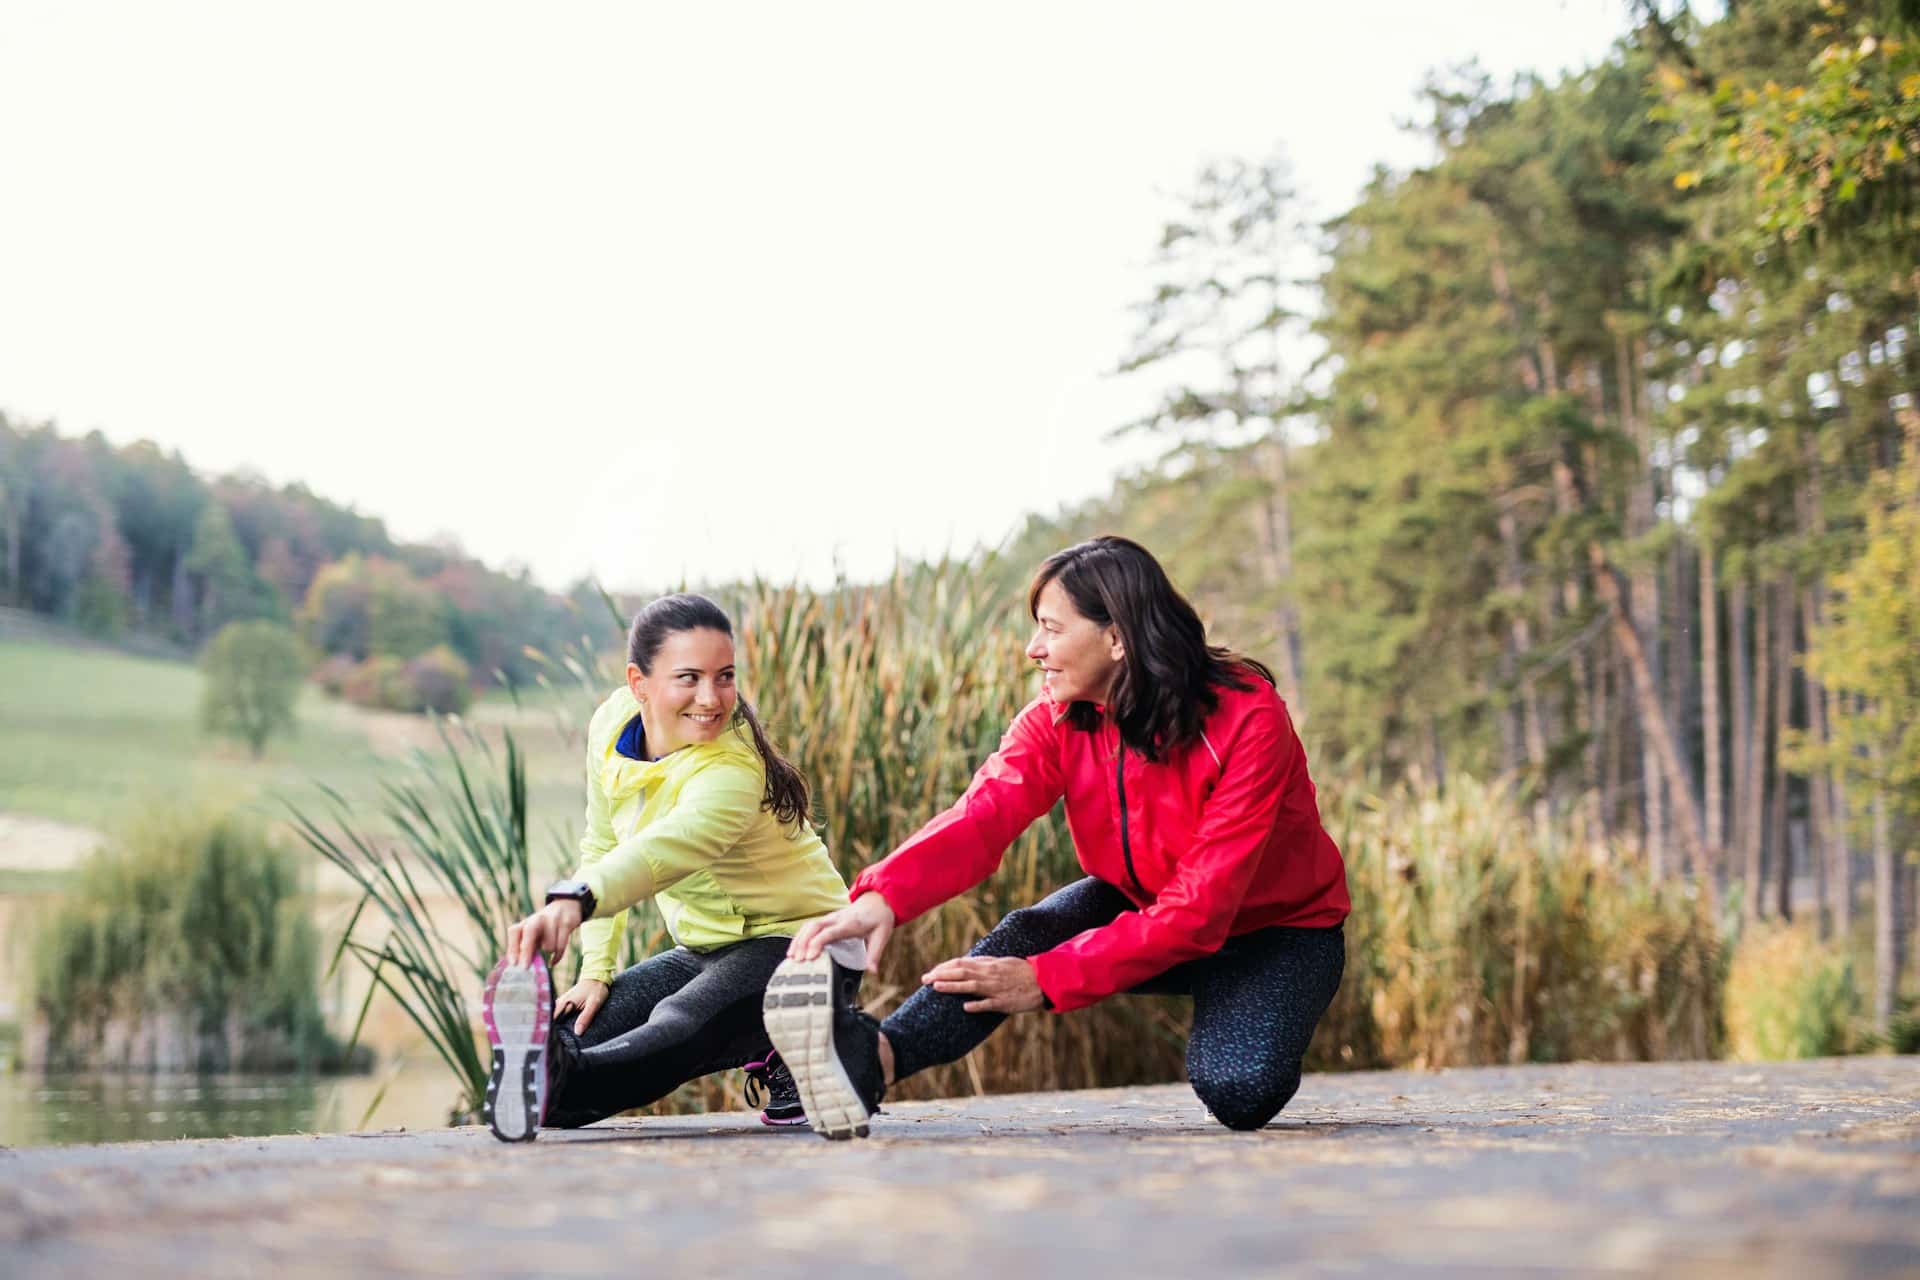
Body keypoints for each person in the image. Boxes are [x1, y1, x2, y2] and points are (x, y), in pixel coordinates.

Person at [768, 536, 1350, 1138]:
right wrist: (881, 898)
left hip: (1280, 933)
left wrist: (1045, 980)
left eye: (1051, 628)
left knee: (1240, 1092)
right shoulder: (1058, 715)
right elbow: (983, 814)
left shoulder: (1247, 717)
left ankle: (1241, 1003)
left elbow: (1200, 909)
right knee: (1026, 935)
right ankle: (871, 1062)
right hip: (1146, 904)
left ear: (1117, 637)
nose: (1033, 649)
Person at [484, 592, 858, 1142]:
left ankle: (813, 1034)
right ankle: (547, 1075)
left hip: (808, 947)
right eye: (689, 677)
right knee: (571, 1045)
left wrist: (575, 899)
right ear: (639, 683)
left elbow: (662, 851)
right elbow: (604, 842)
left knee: (680, 1019)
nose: (711, 698)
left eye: (725, 677)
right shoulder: (613, 727)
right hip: (706, 950)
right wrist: (595, 972)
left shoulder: (731, 769)